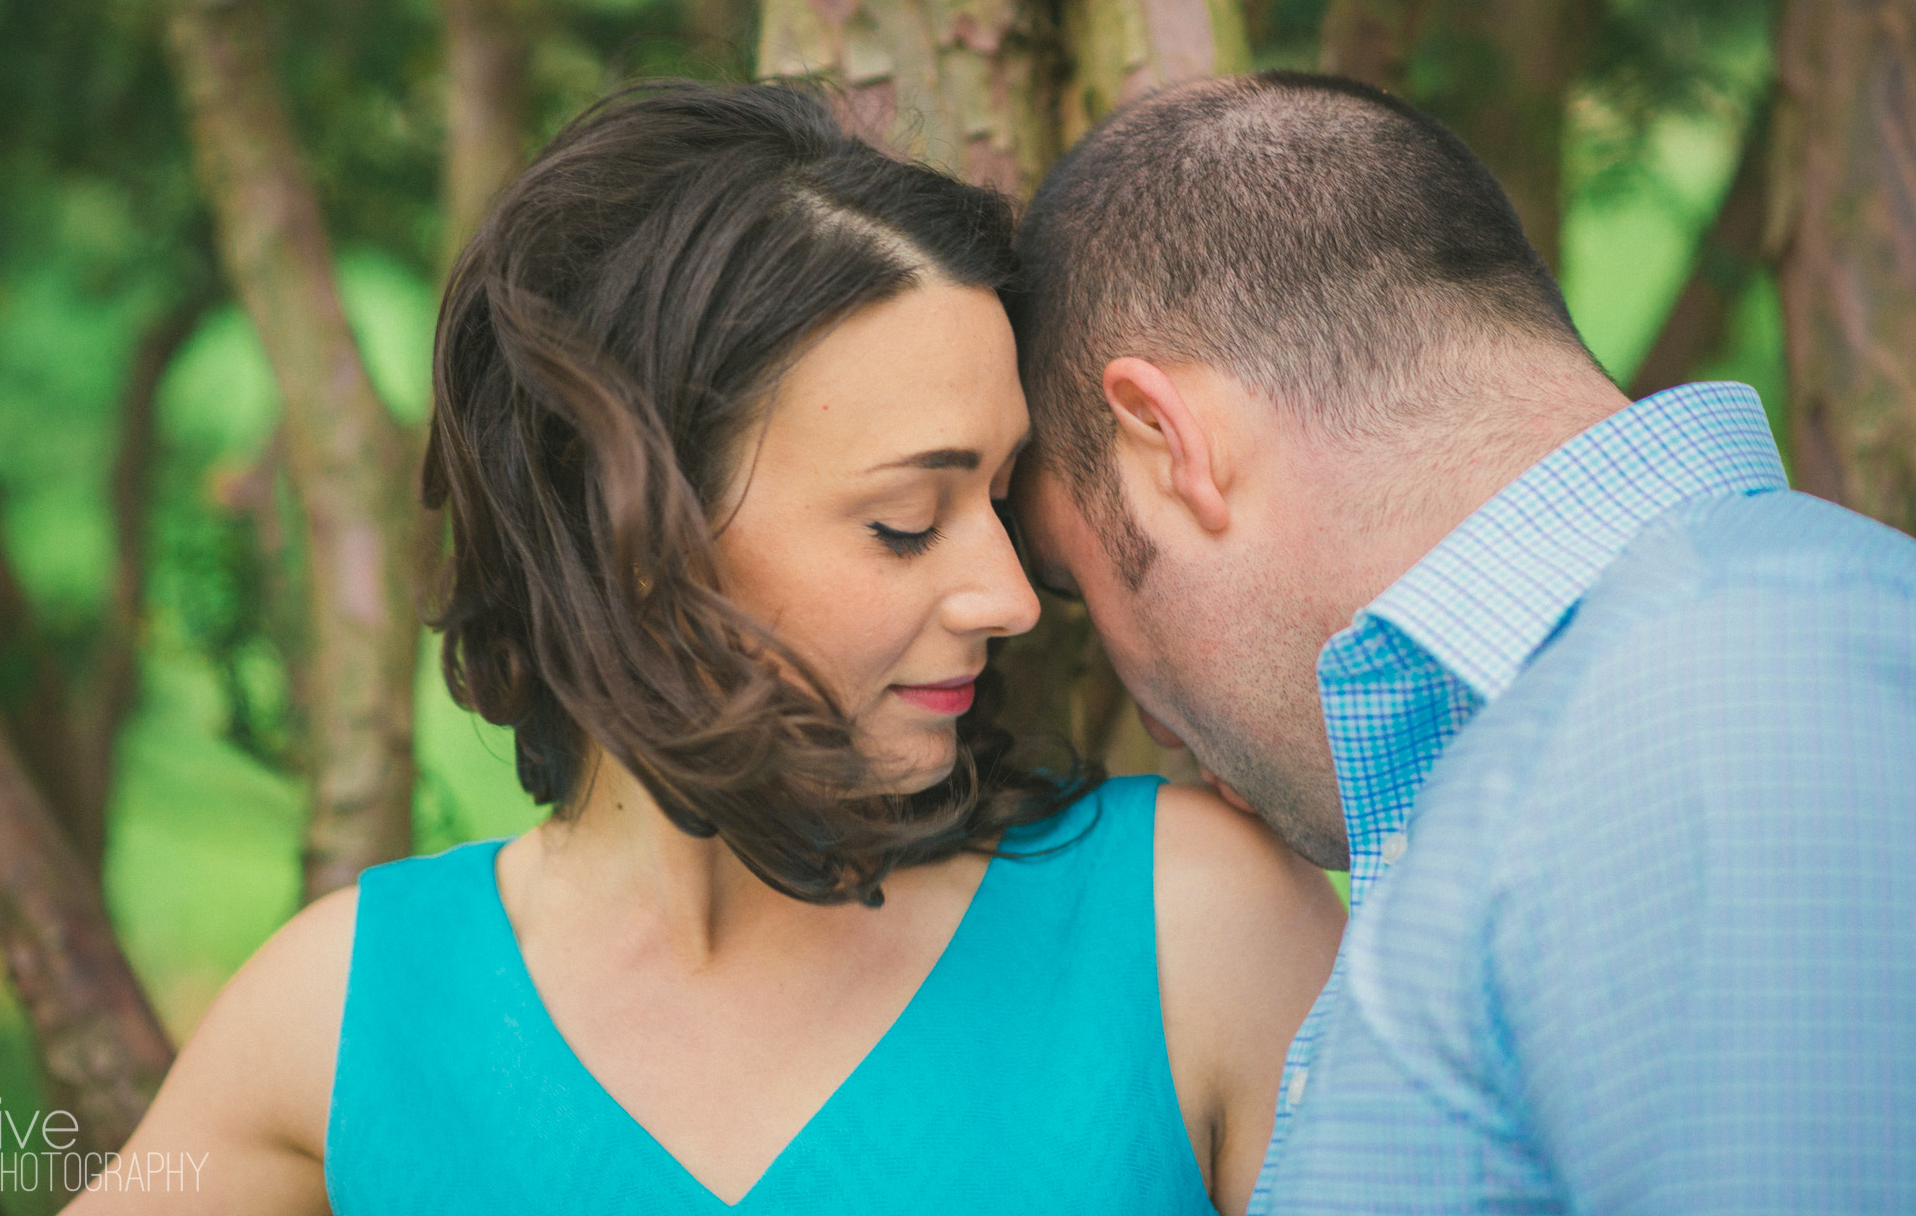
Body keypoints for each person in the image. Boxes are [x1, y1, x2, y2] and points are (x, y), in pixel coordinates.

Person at [67, 81, 1343, 1215]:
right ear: (633, 529)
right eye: (905, 523)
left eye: (998, 501)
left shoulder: (1193, 933)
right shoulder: (350, 1017)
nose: (1009, 598)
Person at [1008, 68, 1916, 1215]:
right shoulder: (1648, 711)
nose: (1145, 713)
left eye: (1087, 590)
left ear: (1166, 440)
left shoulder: (1715, 713)